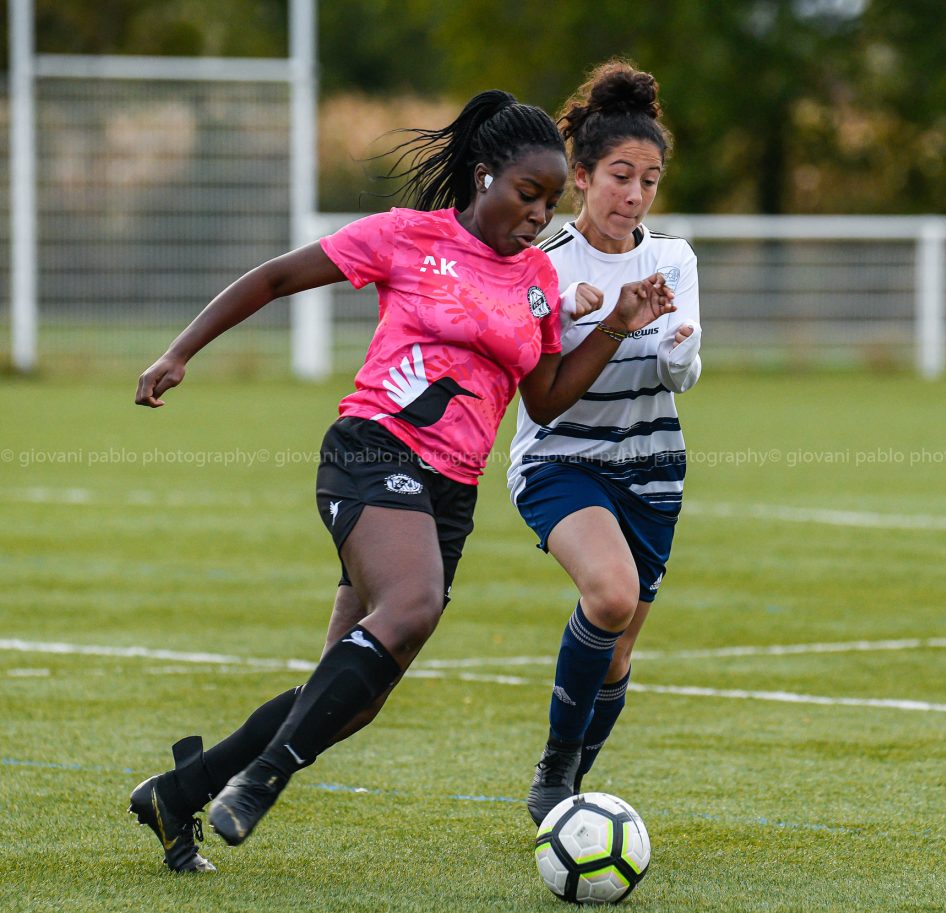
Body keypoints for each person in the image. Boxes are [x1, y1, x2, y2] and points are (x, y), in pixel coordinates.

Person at [127, 88, 676, 872]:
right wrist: (180, 351)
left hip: (449, 495)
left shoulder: (538, 285)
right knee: (411, 604)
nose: (538, 214)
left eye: (550, 200)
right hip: (372, 450)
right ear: (483, 176)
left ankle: (178, 791)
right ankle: (261, 781)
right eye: (527, 194)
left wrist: (620, 322)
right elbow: (277, 278)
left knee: (349, 696)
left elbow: (548, 400)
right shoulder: (407, 237)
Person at [505, 62, 702, 825]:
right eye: (621, 175)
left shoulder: (673, 259)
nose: (635, 195)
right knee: (611, 594)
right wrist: (568, 312)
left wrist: (677, 342)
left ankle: (569, 793)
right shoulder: (543, 266)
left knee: (618, 653)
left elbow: (681, 372)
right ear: (581, 176)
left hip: (652, 466)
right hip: (561, 459)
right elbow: (540, 390)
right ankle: (555, 773)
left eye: (650, 180)